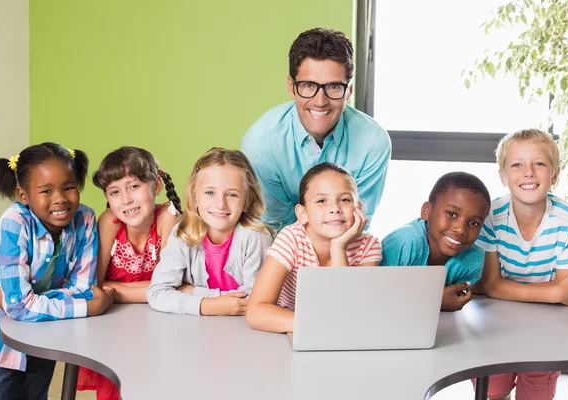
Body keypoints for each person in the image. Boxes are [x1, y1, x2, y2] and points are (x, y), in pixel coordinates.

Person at [0, 142, 114, 400]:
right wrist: (88, 308)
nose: (60, 198)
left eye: (69, 187)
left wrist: (8, 300)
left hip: (48, 337)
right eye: (46, 190)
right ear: (23, 195)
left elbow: (83, 289)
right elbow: (20, 308)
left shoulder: (85, 219)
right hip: (1, 338)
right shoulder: (14, 224)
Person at [242, 27, 391, 229]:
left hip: (346, 250)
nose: (320, 101)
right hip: (284, 251)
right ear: (292, 87)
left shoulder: (374, 142)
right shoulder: (261, 144)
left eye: (334, 87)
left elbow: (355, 224)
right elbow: (275, 226)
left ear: (349, 90)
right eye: (308, 86)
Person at [76, 146, 182, 400]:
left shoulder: (169, 216)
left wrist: (116, 291)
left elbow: (172, 287)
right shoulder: (108, 222)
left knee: (157, 384)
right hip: (113, 326)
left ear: (156, 186)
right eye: (115, 192)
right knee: (118, 386)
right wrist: (157, 291)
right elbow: (95, 286)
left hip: (163, 323)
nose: (126, 200)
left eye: (133, 186)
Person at [475, 129, 568, 400]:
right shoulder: (491, 216)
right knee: (493, 391)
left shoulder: (567, 221)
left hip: (548, 327)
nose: (528, 172)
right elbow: (489, 283)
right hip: (497, 322)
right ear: (503, 177)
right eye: (517, 164)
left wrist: (498, 287)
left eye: (539, 163)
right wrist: (554, 292)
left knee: (536, 395)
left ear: (554, 174)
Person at [246, 162, 381, 333]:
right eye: (321, 201)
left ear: (358, 209)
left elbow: (351, 311)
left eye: (345, 199)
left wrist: (338, 248)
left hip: (340, 334)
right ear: (302, 214)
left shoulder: (369, 246)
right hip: (291, 325)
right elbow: (256, 313)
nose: (335, 208)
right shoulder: (292, 238)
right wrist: (318, 325)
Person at [147, 148, 273, 316]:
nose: (220, 204)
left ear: (247, 202)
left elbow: (257, 299)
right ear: (195, 197)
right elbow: (157, 293)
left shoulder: (255, 236)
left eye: (232, 195)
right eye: (209, 192)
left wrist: (192, 291)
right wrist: (208, 305)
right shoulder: (184, 231)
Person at [380, 172, 491, 311]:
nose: (461, 229)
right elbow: (374, 296)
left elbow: (453, 299)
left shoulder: (473, 259)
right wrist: (435, 301)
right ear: (426, 211)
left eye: (474, 223)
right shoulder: (403, 242)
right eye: (452, 214)